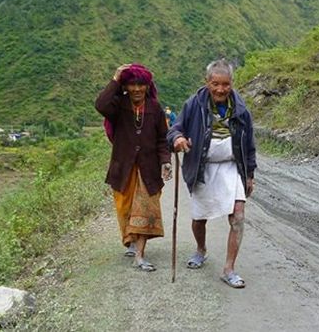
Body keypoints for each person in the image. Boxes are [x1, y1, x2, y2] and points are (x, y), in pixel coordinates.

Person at [167, 59, 257, 289]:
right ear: (207, 82)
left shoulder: (241, 109)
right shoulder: (193, 104)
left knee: (237, 216)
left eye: (225, 84)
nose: (220, 89)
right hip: (201, 167)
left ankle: (229, 269)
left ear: (232, 84)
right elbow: (176, 128)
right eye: (215, 83)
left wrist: (250, 173)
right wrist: (177, 139)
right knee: (199, 218)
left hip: (231, 167)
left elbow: (249, 144)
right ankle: (201, 249)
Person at [95, 63, 172, 272]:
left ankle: (140, 254)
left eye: (142, 84)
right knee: (124, 208)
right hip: (123, 167)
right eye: (132, 84)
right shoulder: (118, 105)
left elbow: (162, 140)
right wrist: (116, 77)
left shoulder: (155, 108)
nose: (137, 89)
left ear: (148, 86)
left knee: (145, 208)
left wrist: (165, 161)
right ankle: (129, 239)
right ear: (126, 85)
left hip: (148, 169)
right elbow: (100, 105)